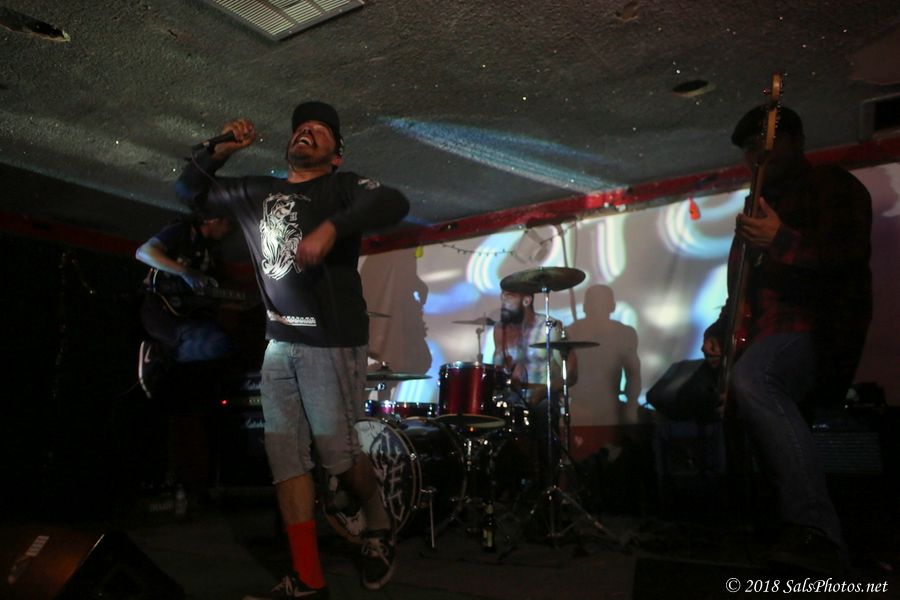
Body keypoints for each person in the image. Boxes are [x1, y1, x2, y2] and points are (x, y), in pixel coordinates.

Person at [175, 101, 410, 598]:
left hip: (331, 341)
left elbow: (393, 202)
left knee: (338, 458)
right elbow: (188, 190)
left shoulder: (341, 189)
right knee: (284, 460)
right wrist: (220, 147)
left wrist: (333, 227)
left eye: (320, 130)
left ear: (336, 155)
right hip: (278, 342)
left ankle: (378, 522)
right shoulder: (256, 190)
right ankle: (308, 580)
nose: (307, 131)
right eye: (302, 126)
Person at [701, 105, 872, 574]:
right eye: (749, 150)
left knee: (755, 379)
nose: (757, 157)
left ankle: (817, 530)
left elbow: (847, 260)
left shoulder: (832, 185)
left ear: (796, 141)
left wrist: (780, 239)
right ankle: (765, 529)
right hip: (760, 339)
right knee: (715, 395)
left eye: (767, 144)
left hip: (815, 332)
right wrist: (718, 333)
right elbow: (740, 295)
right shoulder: (752, 213)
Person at [136, 213, 235, 398]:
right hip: (159, 309)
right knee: (219, 345)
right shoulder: (183, 230)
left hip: (184, 314)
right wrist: (184, 272)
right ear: (213, 218)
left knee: (220, 343)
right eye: (227, 223)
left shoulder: (211, 251)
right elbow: (143, 252)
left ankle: (165, 355)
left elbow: (209, 292)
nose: (229, 229)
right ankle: (158, 354)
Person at [492, 289, 578, 477]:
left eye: (510, 296)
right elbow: (498, 370)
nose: (503, 301)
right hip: (514, 399)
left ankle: (547, 481)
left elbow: (571, 374)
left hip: (543, 397)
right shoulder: (501, 329)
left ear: (527, 300)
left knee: (542, 413)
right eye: (502, 296)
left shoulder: (550, 327)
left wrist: (542, 392)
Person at [566, 284, 641, 426]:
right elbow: (559, 372)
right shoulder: (571, 332)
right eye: (593, 304)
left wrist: (631, 408)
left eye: (601, 304)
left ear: (612, 307)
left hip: (610, 411)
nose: (597, 308)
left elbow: (633, 374)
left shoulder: (625, 334)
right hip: (579, 410)